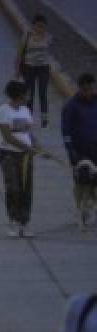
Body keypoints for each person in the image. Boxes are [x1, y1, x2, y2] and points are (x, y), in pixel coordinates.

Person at [0, 79, 45, 238]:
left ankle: (25, 222)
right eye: (26, 93)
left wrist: (36, 145)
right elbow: (7, 136)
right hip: (9, 154)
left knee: (26, 188)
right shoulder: (3, 111)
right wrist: (27, 148)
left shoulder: (26, 110)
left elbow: (28, 133)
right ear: (19, 94)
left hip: (26, 156)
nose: (28, 96)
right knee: (13, 188)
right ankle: (13, 220)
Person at [63, 74, 97, 229]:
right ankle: (80, 211)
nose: (88, 93)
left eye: (91, 89)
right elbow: (66, 130)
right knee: (82, 183)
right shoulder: (71, 106)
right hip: (80, 151)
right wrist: (71, 151)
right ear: (80, 89)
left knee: (94, 183)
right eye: (85, 90)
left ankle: (90, 208)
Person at [17, 14, 54, 127]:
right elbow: (19, 53)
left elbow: (50, 52)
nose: (40, 29)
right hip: (29, 67)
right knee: (29, 94)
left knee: (43, 93)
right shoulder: (27, 36)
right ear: (33, 26)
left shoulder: (48, 37)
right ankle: (28, 118)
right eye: (38, 26)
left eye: (42, 26)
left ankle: (44, 119)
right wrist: (18, 68)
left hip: (43, 68)